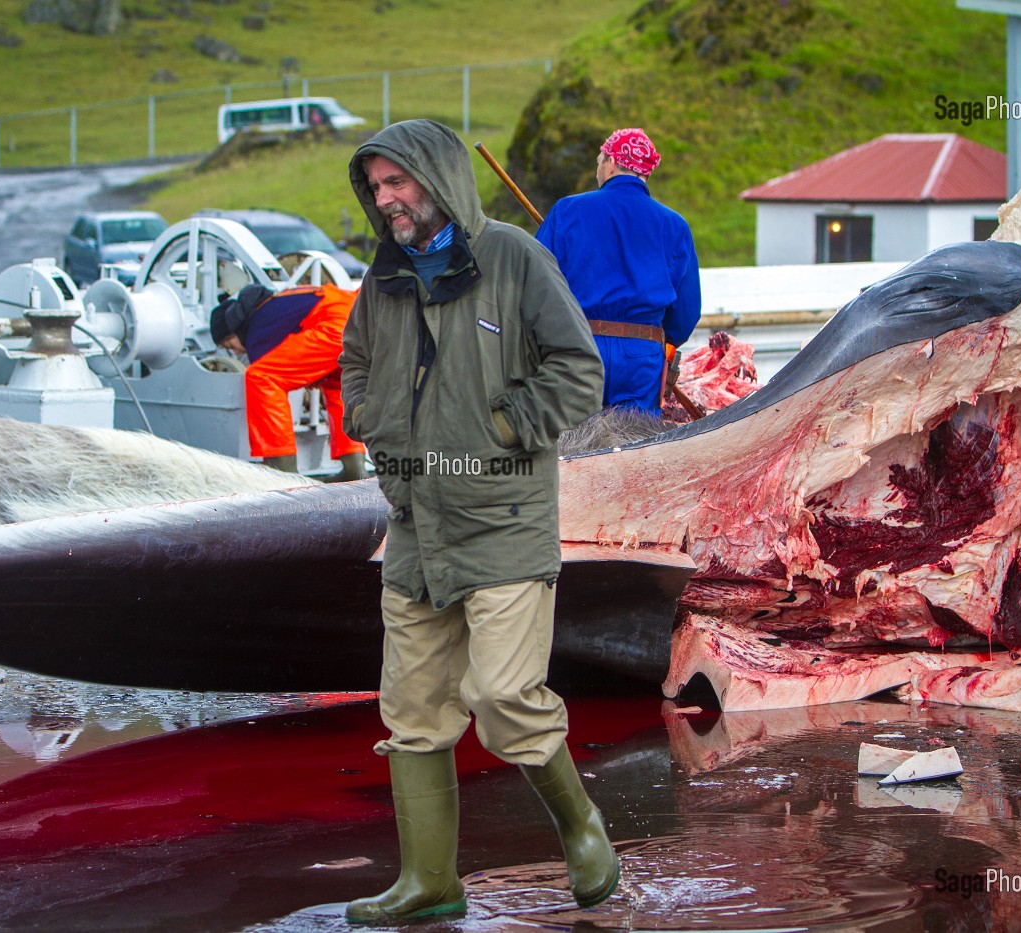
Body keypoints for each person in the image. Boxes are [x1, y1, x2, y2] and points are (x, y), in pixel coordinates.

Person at [338, 119, 614, 923]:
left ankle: (581, 824)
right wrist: (370, 413)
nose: (387, 199)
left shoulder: (514, 258)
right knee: (414, 710)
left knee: (501, 696)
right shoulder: (382, 277)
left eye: (400, 182)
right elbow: (356, 360)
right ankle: (430, 880)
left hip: (503, 522)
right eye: (377, 186)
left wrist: (500, 427)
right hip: (415, 528)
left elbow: (579, 371)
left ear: (439, 179)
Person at [535, 127, 702, 415]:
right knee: (634, 447)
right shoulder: (674, 225)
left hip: (578, 346)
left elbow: (535, 285)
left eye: (599, 160)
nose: (598, 168)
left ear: (611, 163)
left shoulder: (567, 211)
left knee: (571, 448)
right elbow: (686, 312)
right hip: (641, 355)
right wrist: (659, 340)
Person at [210, 282, 365, 481]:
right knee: (337, 385)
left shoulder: (257, 331)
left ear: (235, 330)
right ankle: (355, 468)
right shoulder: (281, 303)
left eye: (230, 345)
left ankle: (282, 471)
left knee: (261, 377)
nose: (236, 352)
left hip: (334, 324)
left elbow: (275, 375)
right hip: (358, 315)